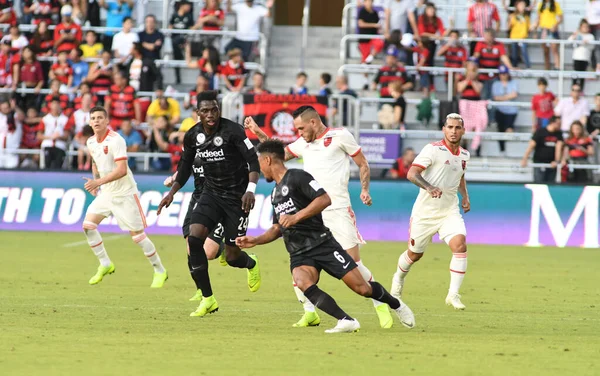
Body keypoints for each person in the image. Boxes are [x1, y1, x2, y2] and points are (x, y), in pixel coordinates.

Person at [236, 139, 415, 333]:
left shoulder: (298, 177)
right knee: (303, 282)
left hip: (322, 244)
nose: (260, 169)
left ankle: (396, 304)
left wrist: (296, 217)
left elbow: (324, 199)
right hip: (299, 252)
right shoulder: (274, 194)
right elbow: (277, 228)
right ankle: (346, 320)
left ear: (268, 160)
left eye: (260, 163)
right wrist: (255, 240)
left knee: (362, 288)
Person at [158, 90, 261, 317]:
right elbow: (184, 168)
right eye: (205, 111)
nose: (210, 114)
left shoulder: (233, 131)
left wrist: (250, 190)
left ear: (219, 110)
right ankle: (208, 298)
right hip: (211, 194)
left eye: (214, 109)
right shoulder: (192, 136)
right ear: (198, 113)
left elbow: (253, 161)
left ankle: (251, 264)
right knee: (194, 238)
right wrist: (172, 193)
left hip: (237, 199)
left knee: (233, 257)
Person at [390, 113, 471, 309]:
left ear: (463, 131)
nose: (453, 131)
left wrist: (465, 197)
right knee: (414, 254)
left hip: (449, 210)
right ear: (444, 129)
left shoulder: (464, 155)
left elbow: (459, 176)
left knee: (460, 245)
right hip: (425, 213)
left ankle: (453, 295)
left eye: (457, 128)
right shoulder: (432, 150)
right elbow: (412, 173)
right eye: (450, 127)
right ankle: (398, 280)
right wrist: (429, 187)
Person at [82, 106, 168, 288]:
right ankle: (105, 264)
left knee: (137, 237)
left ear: (107, 121)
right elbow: (95, 161)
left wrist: (98, 182)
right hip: (106, 193)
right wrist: (96, 182)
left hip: (125, 194)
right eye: (93, 118)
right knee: (88, 226)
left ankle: (160, 270)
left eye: (100, 118)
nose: (96, 121)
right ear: (90, 122)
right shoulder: (90, 142)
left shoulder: (116, 140)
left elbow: (121, 170)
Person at [161, 121, 230, 302]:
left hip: (216, 200)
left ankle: (224, 248)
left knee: (207, 252)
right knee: (192, 248)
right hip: (197, 200)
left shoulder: (217, 150)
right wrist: (173, 179)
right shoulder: (190, 151)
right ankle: (201, 289)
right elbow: (184, 170)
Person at [473, 29, 513, 101]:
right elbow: (476, 56)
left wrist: (511, 67)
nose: (488, 38)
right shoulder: (480, 44)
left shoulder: (499, 45)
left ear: (493, 37)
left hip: (495, 76)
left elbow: (503, 57)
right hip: (483, 76)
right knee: (483, 97)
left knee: (493, 97)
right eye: (486, 36)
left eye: (489, 36)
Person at [520, 115, 563, 183]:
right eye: (559, 124)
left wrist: (556, 161)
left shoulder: (559, 134)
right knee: (539, 183)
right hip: (539, 162)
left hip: (551, 164)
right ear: (552, 123)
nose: (560, 126)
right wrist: (525, 158)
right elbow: (531, 145)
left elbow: (559, 148)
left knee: (551, 184)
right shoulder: (540, 132)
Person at [492, 65, 519, 156]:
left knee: (509, 130)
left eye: (505, 73)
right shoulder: (496, 84)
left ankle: (509, 150)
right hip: (500, 110)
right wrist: (508, 97)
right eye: (501, 74)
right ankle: (502, 150)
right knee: (500, 131)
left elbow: (514, 95)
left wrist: (502, 98)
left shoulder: (513, 82)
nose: (503, 75)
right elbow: (495, 97)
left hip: (511, 110)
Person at [38, 98, 69, 169]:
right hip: (47, 145)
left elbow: (67, 136)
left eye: (57, 105)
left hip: (60, 146)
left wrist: (58, 137)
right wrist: (51, 137)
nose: (55, 107)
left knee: (58, 166)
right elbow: (39, 135)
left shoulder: (65, 119)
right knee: (46, 165)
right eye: (53, 105)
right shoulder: (45, 119)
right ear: (50, 106)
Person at [417, 2, 450, 68]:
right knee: (422, 60)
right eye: (430, 9)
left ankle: (429, 76)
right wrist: (435, 36)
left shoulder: (437, 20)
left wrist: (450, 27)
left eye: (433, 9)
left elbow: (442, 33)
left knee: (430, 62)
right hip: (423, 43)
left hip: (431, 44)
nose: (432, 11)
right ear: (426, 10)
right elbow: (422, 33)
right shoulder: (422, 18)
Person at [532, 0, 563, 70]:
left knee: (554, 49)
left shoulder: (555, 4)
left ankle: (557, 66)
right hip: (544, 29)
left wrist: (555, 25)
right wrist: (535, 31)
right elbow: (538, 18)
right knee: (545, 51)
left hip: (552, 29)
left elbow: (561, 18)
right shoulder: (541, 4)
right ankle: (547, 68)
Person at [169, 0, 194, 84]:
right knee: (176, 47)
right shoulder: (174, 16)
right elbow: (170, 27)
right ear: (182, 5)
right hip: (175, 40)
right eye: (187, 5)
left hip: (184, 40)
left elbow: (191, 29)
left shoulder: (189, 16)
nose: (189, 7)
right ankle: (178, 77)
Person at [12, 46, 44, 111]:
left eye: (28, 51)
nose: (26, 53)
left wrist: (38, 87)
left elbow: (41, 79)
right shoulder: (21, 64)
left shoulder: (36, 65)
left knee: (31, 109)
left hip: (32, 90)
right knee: (19, 107)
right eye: (25, 51)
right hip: (22, 89)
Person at [569, 19, 595, 90]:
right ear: (580, 27)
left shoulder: (590, 36)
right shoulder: (577, 34)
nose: (585, 28)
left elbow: (592, 47)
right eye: (584, 26)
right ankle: (573, 89)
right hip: (577, 58)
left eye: (587, 27)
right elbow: (569, 41)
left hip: (585, 58)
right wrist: (574, 36)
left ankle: (581, 90)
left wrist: (587, 43)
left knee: (582, 75)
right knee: (575, 74)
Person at [508, 0, 531, 69]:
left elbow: (529, 28)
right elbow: (509, 27)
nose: (522, 7)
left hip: (523, 37)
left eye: (524, 5)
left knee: (524, 52)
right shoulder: (512, 16)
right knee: (514, 53)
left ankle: (528, 67)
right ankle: (514, 66)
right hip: (514, 37)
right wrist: (509, 20)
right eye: (521, 5)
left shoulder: (526, 17)